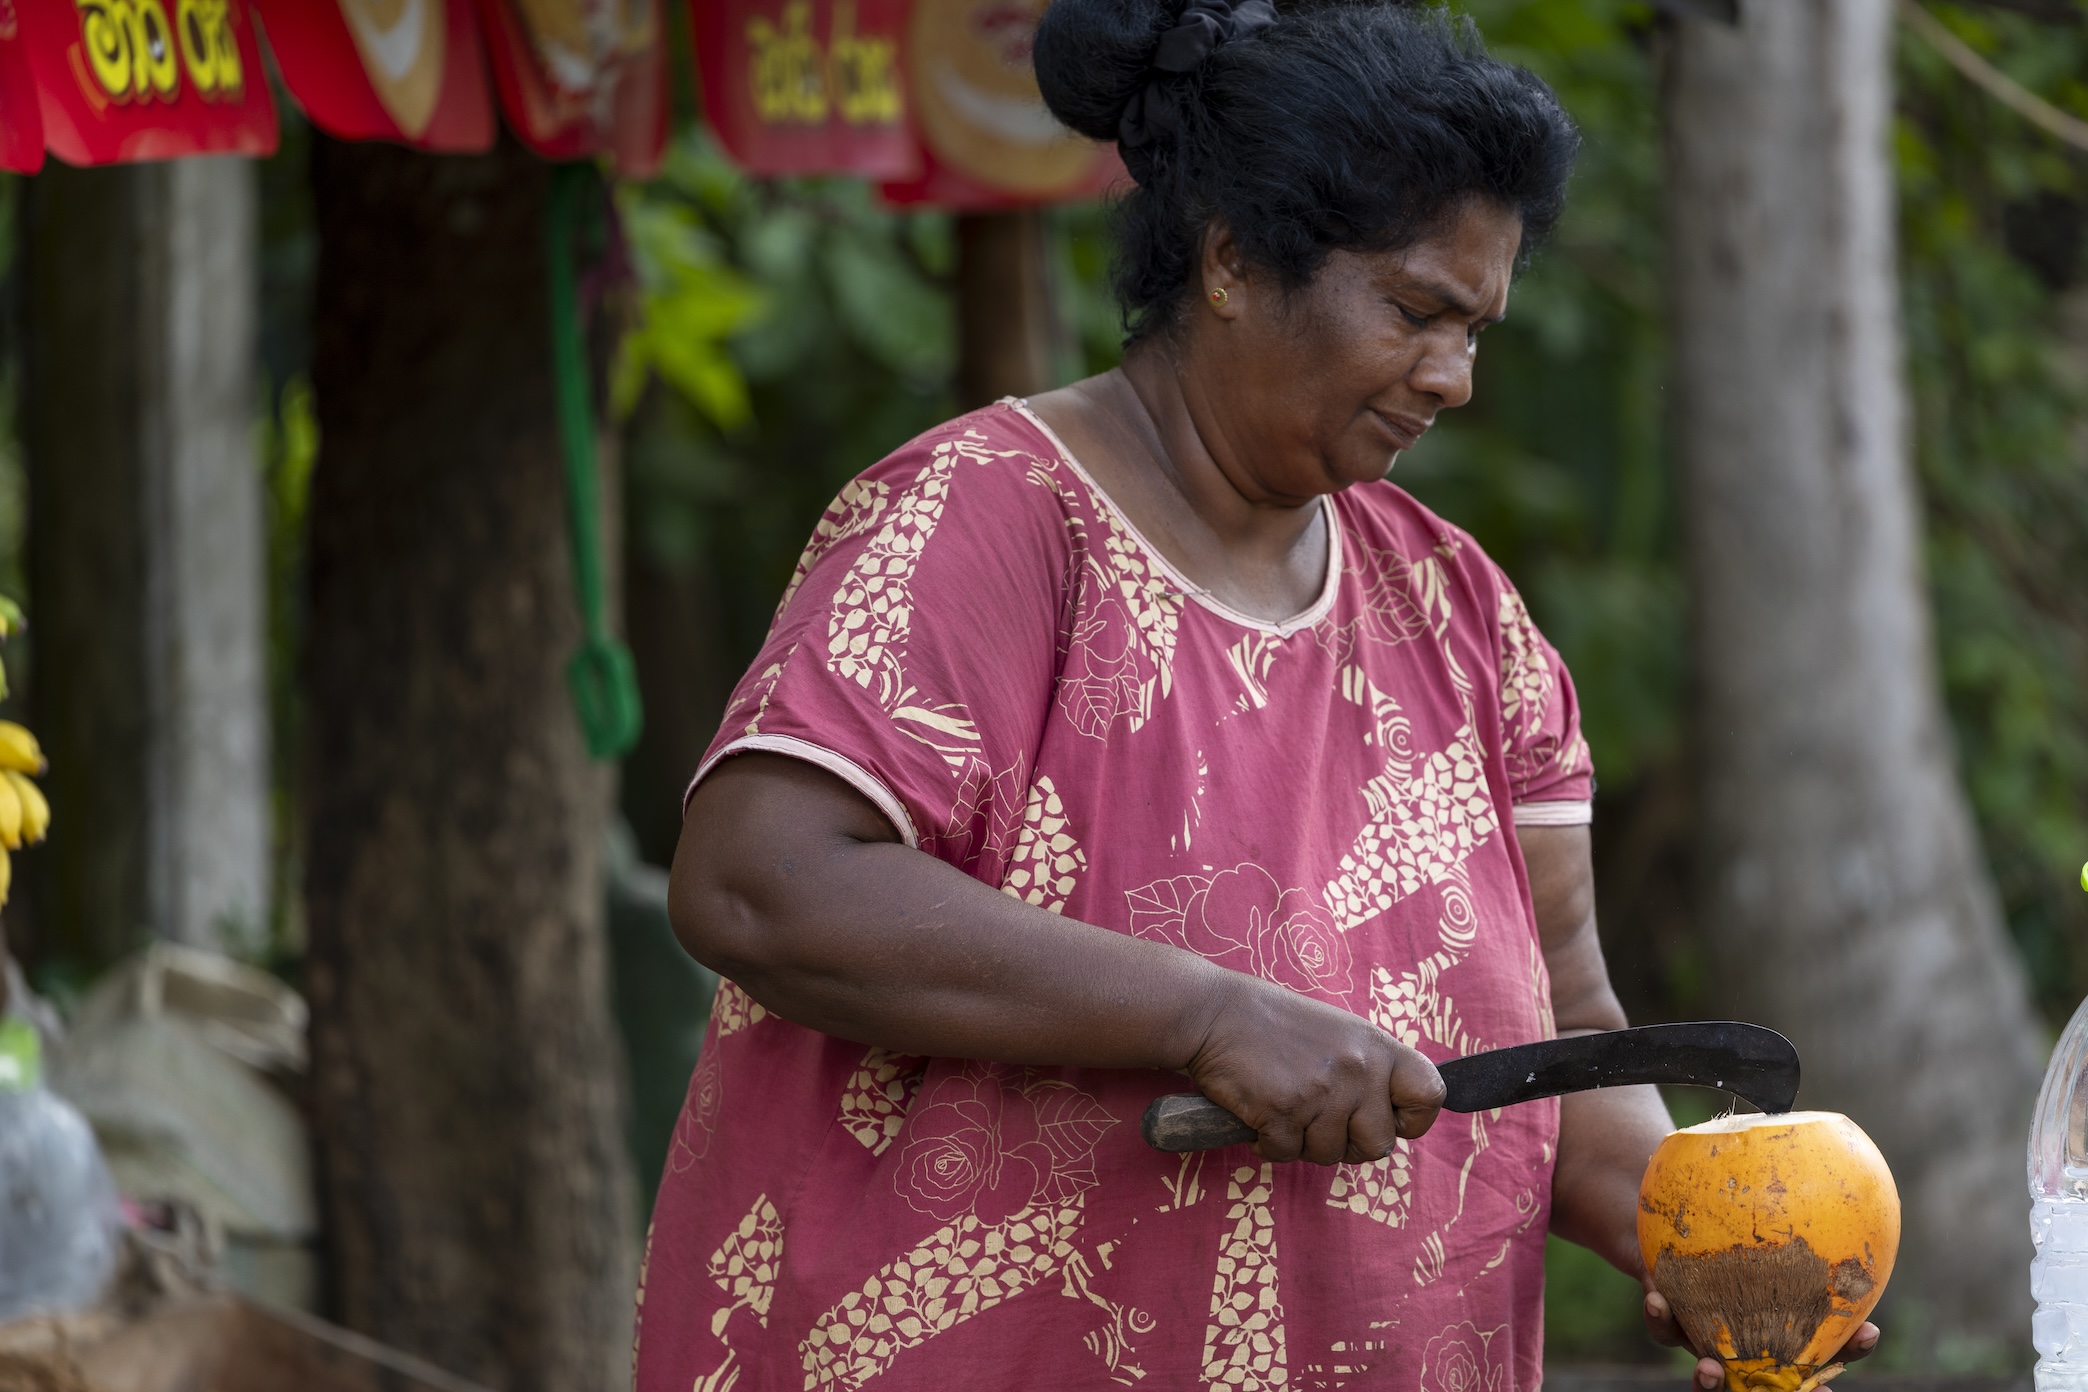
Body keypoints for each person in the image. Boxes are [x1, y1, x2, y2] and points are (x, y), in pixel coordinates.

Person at [635, 4, 1883, 1389]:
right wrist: (1208, 1015)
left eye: (1477, 330)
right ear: (1231, 257)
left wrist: (1702, 1246)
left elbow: (1561, 1040)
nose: (1455, 379)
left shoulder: (1465, 617)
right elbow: (756, 883)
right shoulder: (986, 523)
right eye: (1417, 311)